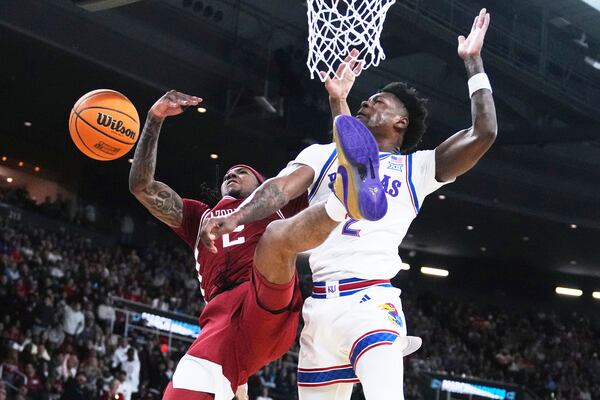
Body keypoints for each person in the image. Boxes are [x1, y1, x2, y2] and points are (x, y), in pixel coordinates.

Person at [200, 8, 497, 400]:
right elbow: (277, 190)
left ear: (401, 123)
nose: (367, 103)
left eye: (378, 101)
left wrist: (473, 62)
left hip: (372, 302)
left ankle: (353, 193)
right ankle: (351, 192)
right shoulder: (321, 154)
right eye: (364, 100)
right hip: (320, 307)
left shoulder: (418, 168)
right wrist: (236, 216)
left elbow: (484, 131)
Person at [129, 91, 385, 400]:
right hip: (221, 319)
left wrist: (339, 103)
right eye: (228, 173)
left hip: (266, 298)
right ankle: (237, 377)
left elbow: (337, 153)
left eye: (242, 171)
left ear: (261, 183)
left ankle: (344, 201)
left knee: (276, 236)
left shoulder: (274, 203)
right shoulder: (199, 217)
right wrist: (154, 118)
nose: (232, 173)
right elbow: (142, 187)